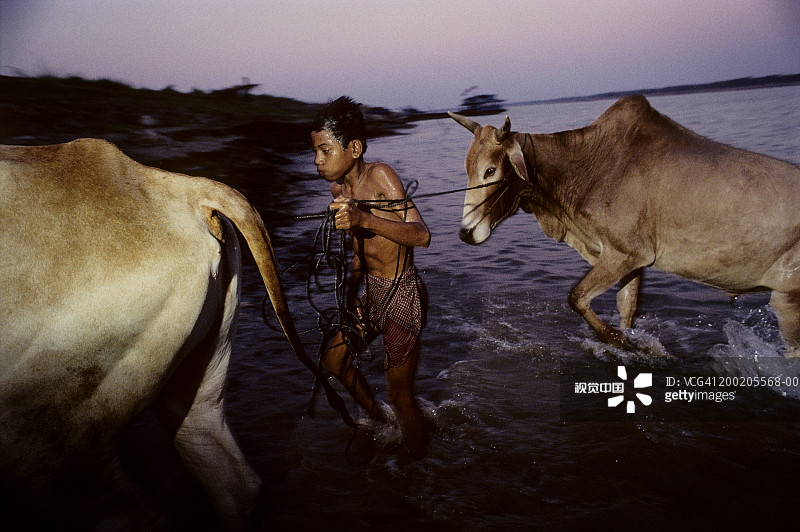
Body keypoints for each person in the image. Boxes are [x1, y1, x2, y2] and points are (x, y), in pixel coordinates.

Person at [311, 96, 431, 457]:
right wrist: (350, 294)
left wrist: (363, 218)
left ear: (354, 148)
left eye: (325, 150)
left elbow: (421, 235)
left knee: (400, 395)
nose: (317, 160)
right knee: (334, 362)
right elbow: (359, 254)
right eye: (315, 152)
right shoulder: (339, 191)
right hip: (371, 295)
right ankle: (382, 422)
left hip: (402, 293)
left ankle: (422, 469)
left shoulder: (381, 176)